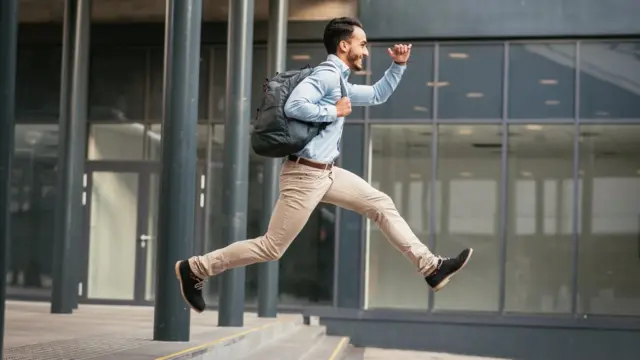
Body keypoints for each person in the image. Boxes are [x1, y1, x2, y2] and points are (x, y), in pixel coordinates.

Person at [175, 17, 473, 313]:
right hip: (305, 175)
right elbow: (295, 105)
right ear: (345, 45)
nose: (366, 52)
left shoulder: (339, 80)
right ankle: (196, 268)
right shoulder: (327, 76)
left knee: (380, 204)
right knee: (271, 247)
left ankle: (431, 267)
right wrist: (333, 110)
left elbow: (378, 95)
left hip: (326, 173)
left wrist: (398, 66)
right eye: (362, 44)